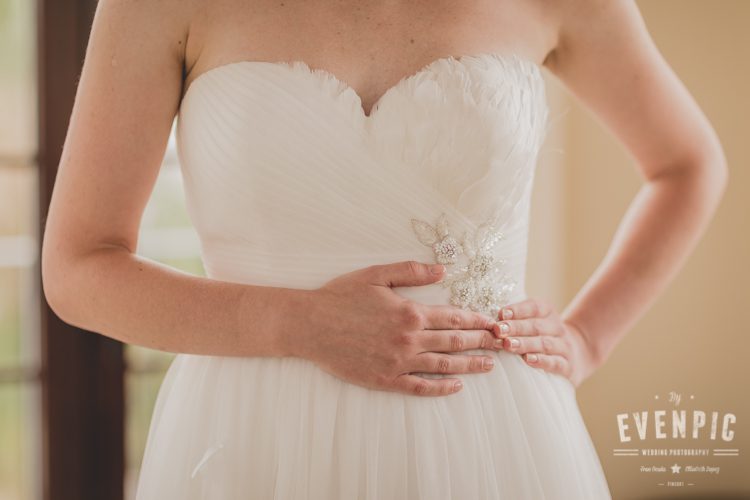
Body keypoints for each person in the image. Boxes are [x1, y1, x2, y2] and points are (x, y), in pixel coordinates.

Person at [41, 0, 728, 498]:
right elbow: (78, 267)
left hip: (491, 433)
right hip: (258, 434)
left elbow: (689, 165)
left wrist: (586, 339)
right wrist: (295, 323)